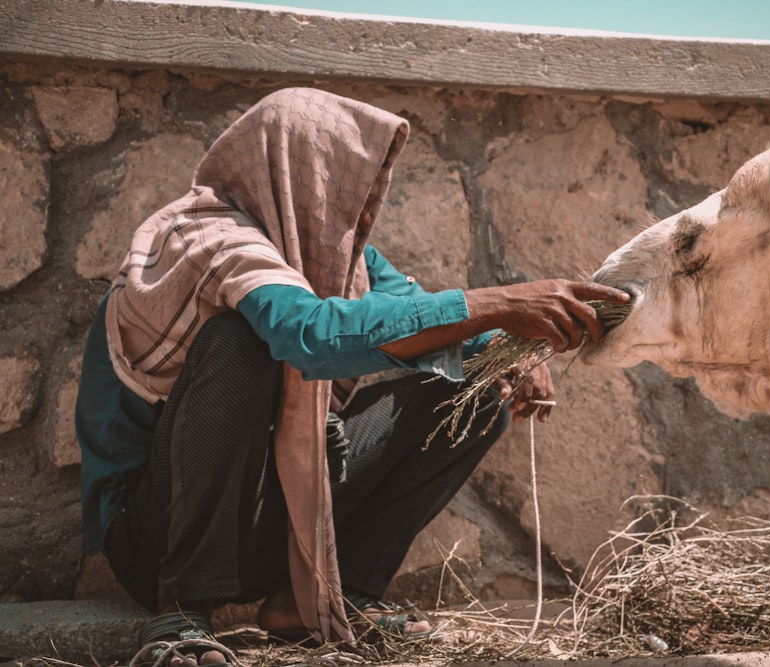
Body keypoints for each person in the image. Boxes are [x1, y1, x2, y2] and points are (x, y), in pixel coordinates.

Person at [74, 87, 629, 664]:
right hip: (158, 538)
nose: (362, 208)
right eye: (340, 183)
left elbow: (419, 309)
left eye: (367, 189)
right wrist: (500, 302)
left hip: (280, 528)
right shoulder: (207, 236)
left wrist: (504, 347)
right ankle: (183, 615)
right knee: (239, 339)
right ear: (289, 175)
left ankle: (322, 598)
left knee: (475, 390)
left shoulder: (337, 258)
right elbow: (308, 335)